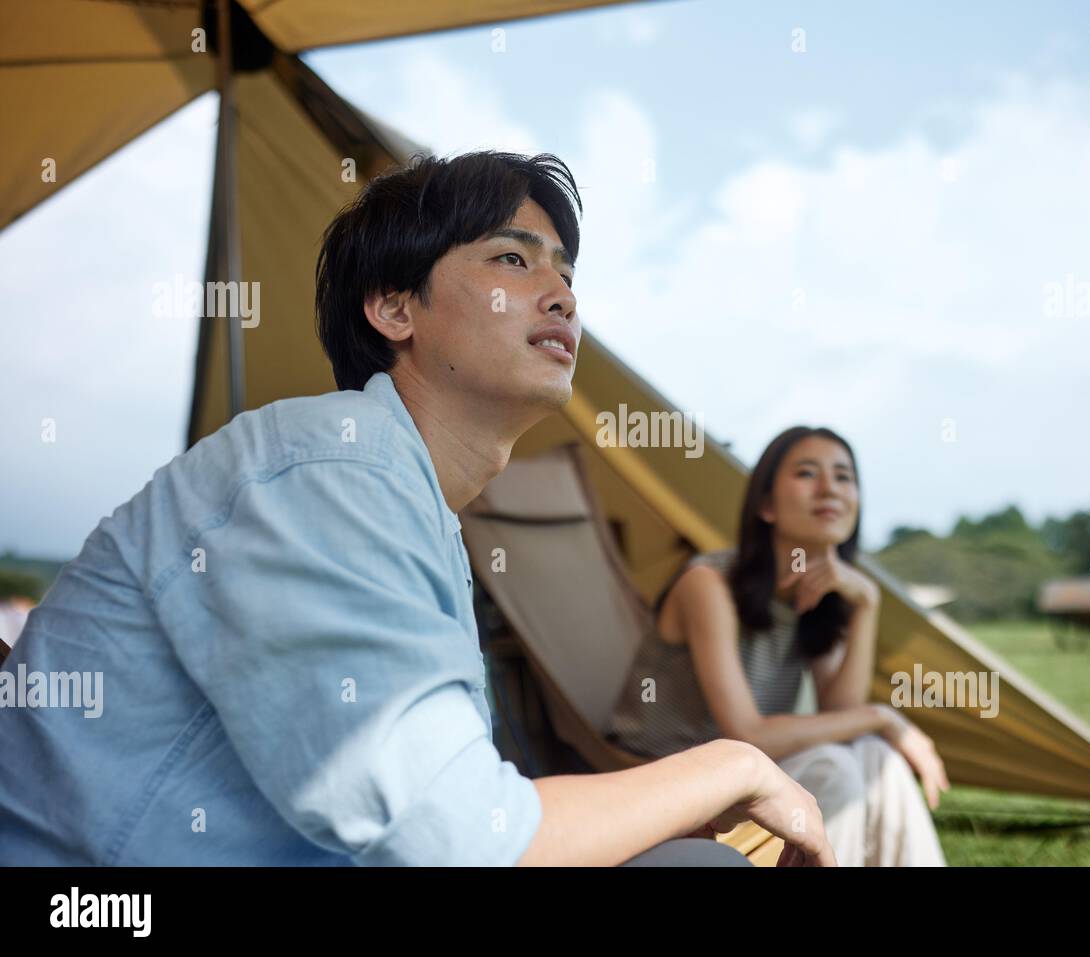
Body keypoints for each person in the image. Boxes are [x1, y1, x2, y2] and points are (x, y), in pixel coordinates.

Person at [0, 151, 833, 868]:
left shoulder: (410, 503)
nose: (562, 297)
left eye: (567, 276)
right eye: (513, 260)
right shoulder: (326, 470)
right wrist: (736, 765)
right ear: (395, 308)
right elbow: (461, 839)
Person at [608, 426, 949, 866]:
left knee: (873, 754)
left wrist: (868, 605)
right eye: (807, 473)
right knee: (834, 766)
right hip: (664, 782)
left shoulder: (822, 596)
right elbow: (746, 733)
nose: (829, 488)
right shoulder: (707, 583)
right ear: (766, 505)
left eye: (844, 477)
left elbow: (838, 712)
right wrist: (882, 715)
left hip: (742, 774)